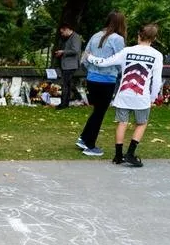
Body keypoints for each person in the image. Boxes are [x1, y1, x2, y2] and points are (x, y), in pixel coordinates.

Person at [86, 24, 163, 167]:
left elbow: (105, 62)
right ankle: (130, 154)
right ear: (154, 38)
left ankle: (118, 155)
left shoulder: (127, 51)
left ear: (138, 36)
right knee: (141, 123)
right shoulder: (157, 55)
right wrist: (153, 98)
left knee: (122, 123)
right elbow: (156, 80)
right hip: (142, 97)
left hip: (123, 94)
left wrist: (90, 58)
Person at [77, 12, 127, 156]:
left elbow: (85, 58)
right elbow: (120, 60)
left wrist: (91, 70)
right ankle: (90, 145)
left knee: (97, 110)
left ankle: (84, 138)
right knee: (99, 112)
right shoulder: (117, 39)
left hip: (92, 77)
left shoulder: (95, 35)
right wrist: (119, 73)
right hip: (107, 79)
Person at [54, 23, 81, 110]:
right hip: (67, 65)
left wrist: (63, 52)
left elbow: (75, 50)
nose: (62, 34)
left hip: (70, 65)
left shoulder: (75, 37)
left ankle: (63, 103)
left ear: (67, 29)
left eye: (62, 32)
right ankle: (66, 102)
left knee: (65, 85)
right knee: (67, 85)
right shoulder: (69, 38)